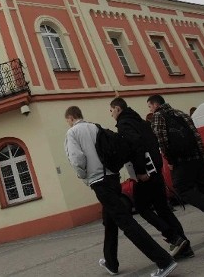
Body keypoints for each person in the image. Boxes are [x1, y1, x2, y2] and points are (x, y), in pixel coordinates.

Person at [64, 105, 177, 277]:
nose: (68, 124)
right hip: (112, 178)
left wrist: (83, 176)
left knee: (126, 223)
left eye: (67, 121)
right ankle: (111, 262)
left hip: (99, 181)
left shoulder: (72, 133)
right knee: (110, 222)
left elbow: (77, 159)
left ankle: (164, 261)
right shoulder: (95, 127)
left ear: (70, 118)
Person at [110, 97, 193, 259]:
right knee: (163, 209)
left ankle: (173, 238)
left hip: (145, 174)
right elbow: (154, 144)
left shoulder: (124, 124)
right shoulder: (141, 121)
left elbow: (136, 145)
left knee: (142, 207)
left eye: (111, 110)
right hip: (156, 171)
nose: (111, 113)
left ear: (118, 109)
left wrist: (141, 171)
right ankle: (185, 245)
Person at [147, 94, 204, 238]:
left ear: (155, 105)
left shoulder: (158, 116)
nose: (150, 109)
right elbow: (196, 136)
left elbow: (162, 141)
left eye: (150, 106)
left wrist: (170, 161)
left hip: (181, 160)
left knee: (183, 189)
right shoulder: (181, 113)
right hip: (198, 158)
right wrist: (202, 157)